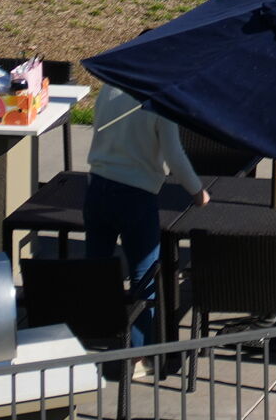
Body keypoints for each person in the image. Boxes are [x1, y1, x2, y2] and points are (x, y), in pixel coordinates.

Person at [81, 90, 201, 347]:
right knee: (144, 277)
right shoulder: (159, 100)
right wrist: (197, 190)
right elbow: (174, 156)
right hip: (136, 195)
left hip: (97, 187)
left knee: (97, 269)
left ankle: (94, 333)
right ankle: (137, 352)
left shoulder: (108, 90)